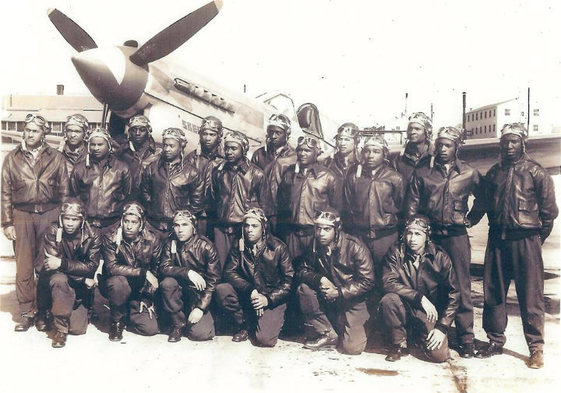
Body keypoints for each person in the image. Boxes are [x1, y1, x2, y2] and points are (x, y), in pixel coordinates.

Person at [475, 123, 558, 369]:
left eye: (514, 141)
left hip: (526, 240)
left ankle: (535, 348)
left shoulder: (537, 172)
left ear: (523, 143)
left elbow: (549, 214)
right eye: (505, 142)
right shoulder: (494, 173)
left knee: (531, 296)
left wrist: (534, 240)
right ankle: (495, 340)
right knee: (494, 293)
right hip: (498, 240)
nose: (509, 146)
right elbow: (481, 205)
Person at [405, 126, 484, 358]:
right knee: (428, 282)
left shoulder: (469, 173)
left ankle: (466, 338)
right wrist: (416, 228)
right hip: (432, 236)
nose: (442, 149)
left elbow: (486, 197)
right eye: (439, 144)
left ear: (457, 147)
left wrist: (472, 219)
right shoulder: (424, 174)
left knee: (460, 285)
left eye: (448, 145)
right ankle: (429, 330)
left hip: (456, 236)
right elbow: (413, 204)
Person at [1, 113, 69, 332]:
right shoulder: (12, 157)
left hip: (49, 214)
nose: (30, 134)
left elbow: (64, 191)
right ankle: (26, 312)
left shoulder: (56, 157)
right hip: (22, 215)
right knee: (24, 266)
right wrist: (7, 222)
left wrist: (61, 221)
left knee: (45, 265)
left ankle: (43, 311)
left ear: (44, 133)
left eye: (35, 131)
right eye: (27, 130)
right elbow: (5, 192)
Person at [380, 215, 460, 363]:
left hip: (428, 313)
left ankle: (416, 336)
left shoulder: (440, 257)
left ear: (427, 236)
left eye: (418, 234)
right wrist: (419, 297)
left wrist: (442, 327)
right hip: (403, 305)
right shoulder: (396, 252)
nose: (412, 239)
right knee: (388, 300)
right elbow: (388, 282)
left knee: (439, 356)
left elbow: (454, 294)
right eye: (409, 233)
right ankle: (398, 343)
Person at [296, 209, 374, 355]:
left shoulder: (355, 246)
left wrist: (338, 292)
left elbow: (367, 282)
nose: (321, 233)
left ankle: (361, 327)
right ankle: (327, 333)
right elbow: (302, 270)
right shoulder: (315, 244)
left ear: (337, 229)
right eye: (318, 228)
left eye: (327, 229)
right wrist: (320, 278)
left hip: (353, 300)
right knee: (304, 289)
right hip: (330, 298)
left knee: (352, 349)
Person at [216, 208, 294, 347]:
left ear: (263, 228)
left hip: (271, 298)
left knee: (265, 340)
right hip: (250, 295)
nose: (249, 230)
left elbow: (289, 281)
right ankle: (244, 325)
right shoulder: (239, 244)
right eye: (246, 226)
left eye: (254, 226)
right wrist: (250, 290)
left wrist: (268, 299)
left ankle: (273, 321)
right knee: (223, 289)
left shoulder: (278, 248)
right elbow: (229, 272)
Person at [343, 134, 405, 294]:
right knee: (361, 276)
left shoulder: (395, 178)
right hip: (360, 236)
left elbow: (401, 206)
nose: (370, 155)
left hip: (385, 237)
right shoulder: (354, 178)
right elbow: (348, 205)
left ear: (384, 154)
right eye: (367, 151)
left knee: (384, 277)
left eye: (376, 151)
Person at [37, 200, 101, 348]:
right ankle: (60, 330)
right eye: (67, 218)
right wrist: (83, 277)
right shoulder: (52, 231)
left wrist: (63, 264)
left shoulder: (93, 235)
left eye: (74, 219)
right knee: (59, 279)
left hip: (79, 288)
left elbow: (91, 266)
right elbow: (52, 265)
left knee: (77, 329)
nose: (70, 223)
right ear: (61, 218)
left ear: (82, 220)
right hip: (62, 282)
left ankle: (65, 313)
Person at [209, 130, 272, 268]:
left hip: (244, 229)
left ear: (243, 150)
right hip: (221, 229)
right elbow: (213, 198)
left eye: (234, 148)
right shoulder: (218, 172)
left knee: (243, 268)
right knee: (221, 267)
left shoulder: (257, 174)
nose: (229, 152)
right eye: (227, 148)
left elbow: (265, 206)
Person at [100, 202, 162, 341]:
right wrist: (142, 272)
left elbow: (156, 269)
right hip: (118, 284)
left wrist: (147, 296)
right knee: (118, 283)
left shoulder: (153, 238)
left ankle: (129, 311)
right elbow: (111, 267)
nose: (129, 226)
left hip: (140, 289)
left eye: (134, 222)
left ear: (141, 224)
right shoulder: (110, 235)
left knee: (149, 329)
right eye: (126, 221)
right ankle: (116, 321)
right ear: (122, 221)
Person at [159, 210, 220, 342]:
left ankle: (205, 318)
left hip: (198, 296)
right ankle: (178, 324)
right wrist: (187, 272)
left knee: (200, 335)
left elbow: (213, 281)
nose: (180, 229)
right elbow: (164, 267)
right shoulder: (170, 243)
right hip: (178, 294)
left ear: (193, 227)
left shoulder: (206, 246)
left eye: (185, 225)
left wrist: (200, 307)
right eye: (176, 225)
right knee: (167, 283)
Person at [277, 136, 342, 260]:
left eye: (307, 151)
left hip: (316, 234)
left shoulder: (328, 176)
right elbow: (282, 203)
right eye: (300, 150)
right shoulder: (289, 174)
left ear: (316, 152)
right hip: (292, 235)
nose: (302, 153)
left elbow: (336, 208)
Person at [140, 127, 204, 238]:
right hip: (153, 225)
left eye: (171, 146)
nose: (167, 149)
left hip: (177, 228)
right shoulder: (153, 168)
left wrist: (183, 218)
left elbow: (197, 202)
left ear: (181, 147)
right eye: (165, 145)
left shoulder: (191, 172)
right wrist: (152, 206)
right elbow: (144, 190)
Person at [69, 128, 132, 232]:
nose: (96, 148)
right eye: (93, 145)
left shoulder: (122, 168)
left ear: (109, 145)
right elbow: (74, 195)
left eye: (100, 144)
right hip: (87, 225)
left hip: (113, 224)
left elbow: (127, 195)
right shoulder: (79, 168)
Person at [251, 114, 296, 234]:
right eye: (271, 132)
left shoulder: (295, 157)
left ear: (287, 134)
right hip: (261, 210)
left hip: (283, 212)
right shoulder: (259, 154)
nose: (273, 136)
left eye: (278, 132)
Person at [185, 116, 225, 237]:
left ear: (219, 136)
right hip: (195, 213)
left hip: (218, 215)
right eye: (205, 134)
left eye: (212, 134)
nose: (207, 138)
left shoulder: (226, 159)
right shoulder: (191, 158)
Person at [119, 115, 161, 199]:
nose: (137, 133)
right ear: (129, 132)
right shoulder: (121, 152)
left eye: (142, 130)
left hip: (151, 201)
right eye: (134, 130)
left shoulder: (159, 151)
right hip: (127, 201)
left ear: (148, 131)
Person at [322, 122, 360, 211]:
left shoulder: (363, 164)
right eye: (340, 139)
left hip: (357, 218)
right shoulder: (328, 163)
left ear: (356, 141)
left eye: (347, 139)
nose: (342, 143)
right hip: (333, 214)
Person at [392, 112, 434, 185]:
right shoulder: (400, 157)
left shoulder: (435, 156)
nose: (412, 132)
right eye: (410, 129)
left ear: (426, 132)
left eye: (417, 129)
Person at [59, 113, 89, 178]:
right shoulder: (57, 154)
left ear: (85, 133)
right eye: (69, 131)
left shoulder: (92, 153)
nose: (72, 135)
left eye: (77, 131)